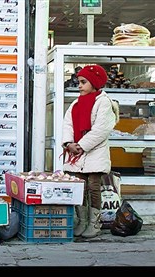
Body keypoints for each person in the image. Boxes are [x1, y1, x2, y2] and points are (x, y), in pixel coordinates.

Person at [61, 64, 119, 238]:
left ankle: (95, 223)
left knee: (93, 186)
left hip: (95, 152)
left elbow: (102, 129)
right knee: (80, 187)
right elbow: (68, 124)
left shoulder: (104, 103)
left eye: (83, 82)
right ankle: (82, 221)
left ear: (94, 82)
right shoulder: (75, 103)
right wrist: (68, 143)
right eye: (78, 82)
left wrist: (81, 145)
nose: (79, 86)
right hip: (77, 153)